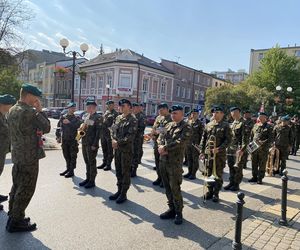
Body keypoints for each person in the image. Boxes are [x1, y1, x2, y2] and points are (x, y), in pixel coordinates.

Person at [6, 83, 50, 233]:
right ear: (29, 95)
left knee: (17, 186)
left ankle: (13, 214)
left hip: (17, 155)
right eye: (36, 96)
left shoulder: (12, 110)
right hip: (29, 157)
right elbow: (47, 127)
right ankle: (16, 222)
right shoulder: (30, 112)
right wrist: (40, 110)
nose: (37, 99)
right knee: (26, 189)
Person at [157, 105, 191, 225]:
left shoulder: (186, 127)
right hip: (163, 161)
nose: (173, 115)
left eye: (175, 113)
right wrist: (161, 146)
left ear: (182, 114)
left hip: (174, 163)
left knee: (175, 188)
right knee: (167, 187)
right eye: (172, 113)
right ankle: (171, 209)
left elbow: (181, 142)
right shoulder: (168, 125)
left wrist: (165, 147)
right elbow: (160, 136)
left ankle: (178, 212)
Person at [199, 106, 232, 202]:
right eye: (214, 112)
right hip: (208, 154)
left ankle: (216, 193)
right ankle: (209, 191)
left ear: (222, 114)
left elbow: (228, 140)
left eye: (218, 112)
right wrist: (201, 151)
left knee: (217, 174)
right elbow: (203, 138)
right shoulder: (208, 124)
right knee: (209, 173)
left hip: (219, 155)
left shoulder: (226, 125)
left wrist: (219, 148)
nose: (215, 114)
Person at [109, 99, 137, 204]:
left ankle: (124, 193)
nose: (121, 107)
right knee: (118, 171)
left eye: (123, 106)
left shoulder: (132, 120)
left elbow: (130, 137)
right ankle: (119, 190)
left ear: (129, 107)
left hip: (126, 151)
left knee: (125, 172)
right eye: (120, 106)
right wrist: (113, 139)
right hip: (117, 150)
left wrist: (117, 142)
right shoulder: (118, 118)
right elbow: (113, 130)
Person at [224, 107, 248, 191]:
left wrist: (242, 149)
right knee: (231, 167)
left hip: (238, 150)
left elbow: (245, 138)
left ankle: (236, 184)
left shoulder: (243, 123)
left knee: (238, 168)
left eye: (235, 112)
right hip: (230, 149)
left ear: (239, 113)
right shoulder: (233, 123)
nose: (233, 114)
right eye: (232, 113)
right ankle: (231, 182)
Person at [79, 100, 101, 189]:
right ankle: (88, 178)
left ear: (95, 108)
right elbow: (83, 129)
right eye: (87, 107)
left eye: (91, 107)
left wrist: (94, 144)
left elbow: (98, 132)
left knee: (92, 162)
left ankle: (92, 181)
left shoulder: (98, 117)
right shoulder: (86, 116)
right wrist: (79, 134)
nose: (89, 109)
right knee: (87, 162)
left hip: (92, 144)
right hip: (85, 142)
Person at [56, 102, 81, 178]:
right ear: (68, 109)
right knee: (66, 154)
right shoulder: (63, 117)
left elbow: (77, 127)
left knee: (73, 155)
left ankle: (71, 171)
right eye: (71, 108)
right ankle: (68, 168)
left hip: (73, 140)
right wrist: (58, 136)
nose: (72, 109)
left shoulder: (77, 118)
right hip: (65, 139)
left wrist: (69, 123)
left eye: (73, 108)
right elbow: (59, 127)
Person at [0, 94, 16, 211]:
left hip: (2, 150)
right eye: (10, 104)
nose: (11, 107)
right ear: (4, 105)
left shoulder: (3, 116)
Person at [248, 112, 273, 184]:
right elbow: (252, 136)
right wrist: (250, 146)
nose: (260, 118)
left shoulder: (269, 127)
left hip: (263, 149)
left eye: (262, 117)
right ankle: (254, 177)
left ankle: (260, 178)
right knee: (254, 163)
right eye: (259, 117)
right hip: (254, 147)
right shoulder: (255, 125)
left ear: (265, 118)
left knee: (262, 164)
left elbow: (271, 138)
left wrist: (263, 142)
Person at [151, 103, 172, 187]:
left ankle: (165, 180)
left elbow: (166, 131)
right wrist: (152, 134)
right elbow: (154, 127)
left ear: (167, 109)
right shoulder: (159, 117)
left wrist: (157, 132)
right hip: (157, 142)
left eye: (161, 110)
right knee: (157, 162)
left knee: (164, 163)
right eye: (159, 110)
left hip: (165, 144)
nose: (160, 111)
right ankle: (159, 177)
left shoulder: (171, 118)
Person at [98, 100, 118, 171]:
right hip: (103, 134)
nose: (109, 106)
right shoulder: (106, 112)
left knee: (110, 150)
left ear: (113, 105)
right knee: (104, 149)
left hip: (109, 135)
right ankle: (104, 162)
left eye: (111, 105)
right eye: (108, 105)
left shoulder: (115, 114)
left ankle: (108, 164)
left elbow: (113, 125)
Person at [184, 108, 204, 180]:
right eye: (192, 113)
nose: (193, 115)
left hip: (196, 145)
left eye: (195, 113)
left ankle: (193, 174)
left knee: (195, 159)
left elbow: (202, 135)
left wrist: (200, 145)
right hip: (188, 144)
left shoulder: (200, 123)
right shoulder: (188, 122)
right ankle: (189, 172)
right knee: (189, 159)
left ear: (198, 114)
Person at [131, 102, 146, 177]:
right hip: (131, 139)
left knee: (136, 153)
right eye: (132, 108)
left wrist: (133, 130)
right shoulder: (131, 116)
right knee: (131, 153)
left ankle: (134, 170)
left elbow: (141, 128)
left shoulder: (141, 117)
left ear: (138, 108)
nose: (133, 109)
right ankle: (131, 167)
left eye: (135, 107)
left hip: (137, 138)